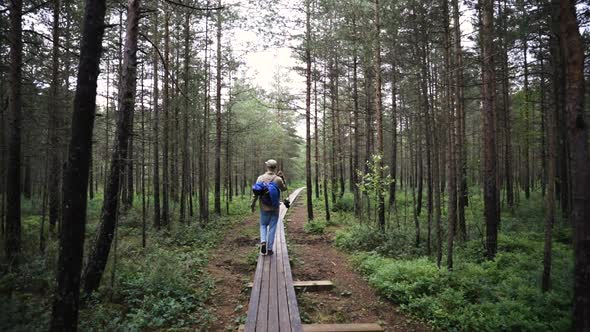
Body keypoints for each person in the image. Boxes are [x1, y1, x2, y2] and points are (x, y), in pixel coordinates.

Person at [251, 159, 287, 256]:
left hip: (263, 207)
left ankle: (263, 242)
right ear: (274, 168)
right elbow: (284, 189)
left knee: (263, 225)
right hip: (275, 207)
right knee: (272, 227)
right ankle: (270, 249)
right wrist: (283, 179)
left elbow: (256, 194)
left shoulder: (260, 178)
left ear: (267, 167)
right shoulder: (278, 179)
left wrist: (253, 204)